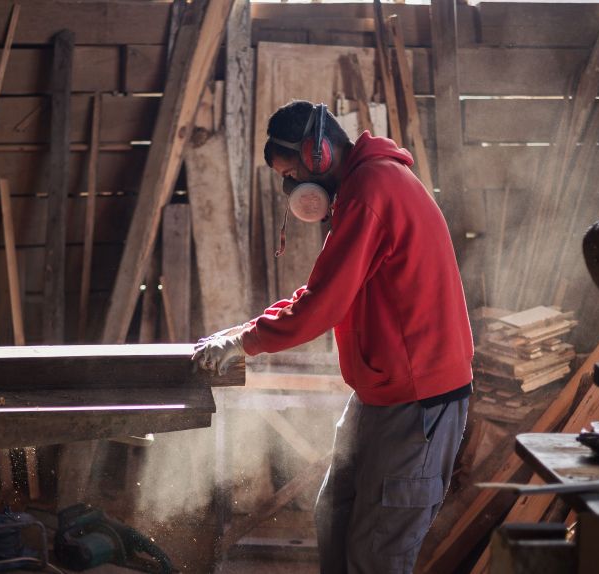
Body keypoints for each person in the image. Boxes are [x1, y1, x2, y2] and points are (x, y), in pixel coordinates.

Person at [192, 100, 472, 573]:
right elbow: (323, 289)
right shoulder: (363, 188)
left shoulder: (372, 188)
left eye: (291, 171)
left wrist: (247, 343)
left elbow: (322, 306)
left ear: (318, 153)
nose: (292, 185)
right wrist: (243, 331)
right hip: (383, 393)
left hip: (419, 400)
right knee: (335, 516)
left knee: (376, 555)